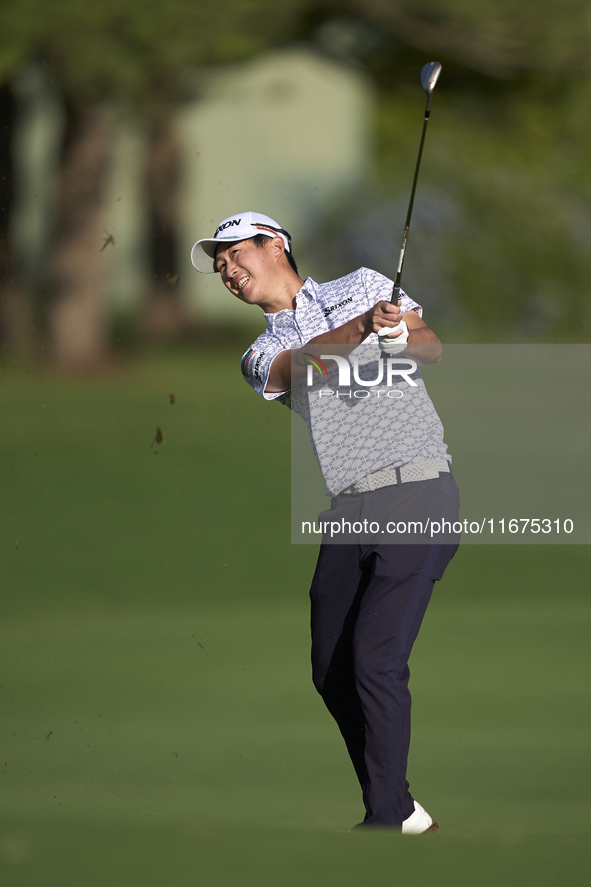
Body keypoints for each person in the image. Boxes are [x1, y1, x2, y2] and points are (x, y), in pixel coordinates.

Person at [191, 211, 459, 833]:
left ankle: (386, 818)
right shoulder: (259, 353)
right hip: (350, 508)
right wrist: (364, 328)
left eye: (236, 254)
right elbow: (306, 371)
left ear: (275, 243)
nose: (228, 270)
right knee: (331, 669)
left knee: (376, 660)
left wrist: (393, 332)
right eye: (219, 265)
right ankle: (403, 808)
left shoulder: (365, 284)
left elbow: (431, 348)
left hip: (417, 488)